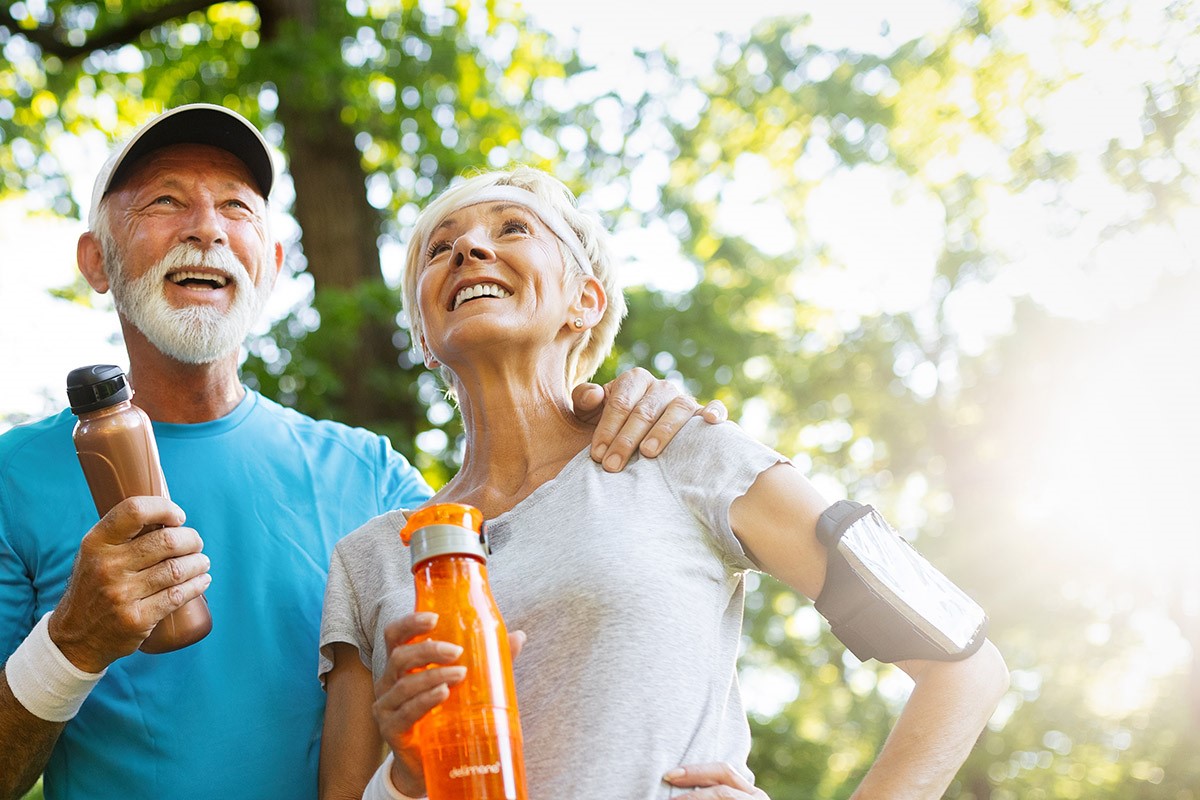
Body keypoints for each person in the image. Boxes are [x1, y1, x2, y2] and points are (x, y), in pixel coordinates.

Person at [0, 105, 722, 800]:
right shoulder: (15, 479)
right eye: (164, 201)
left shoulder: (375, 480)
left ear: (272, 262)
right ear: (97, 260)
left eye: (237, 207)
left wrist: (688, 764)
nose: (206, 230)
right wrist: (71, 641)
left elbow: (517, 673)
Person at [317, 166, 1011, 800]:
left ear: (584, 300)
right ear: (424, 328)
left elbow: (965, 669)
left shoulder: (682, 454)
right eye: (440, 249)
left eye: (511, 229)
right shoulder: (371, 560)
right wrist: (406, 778)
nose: (468, 250)